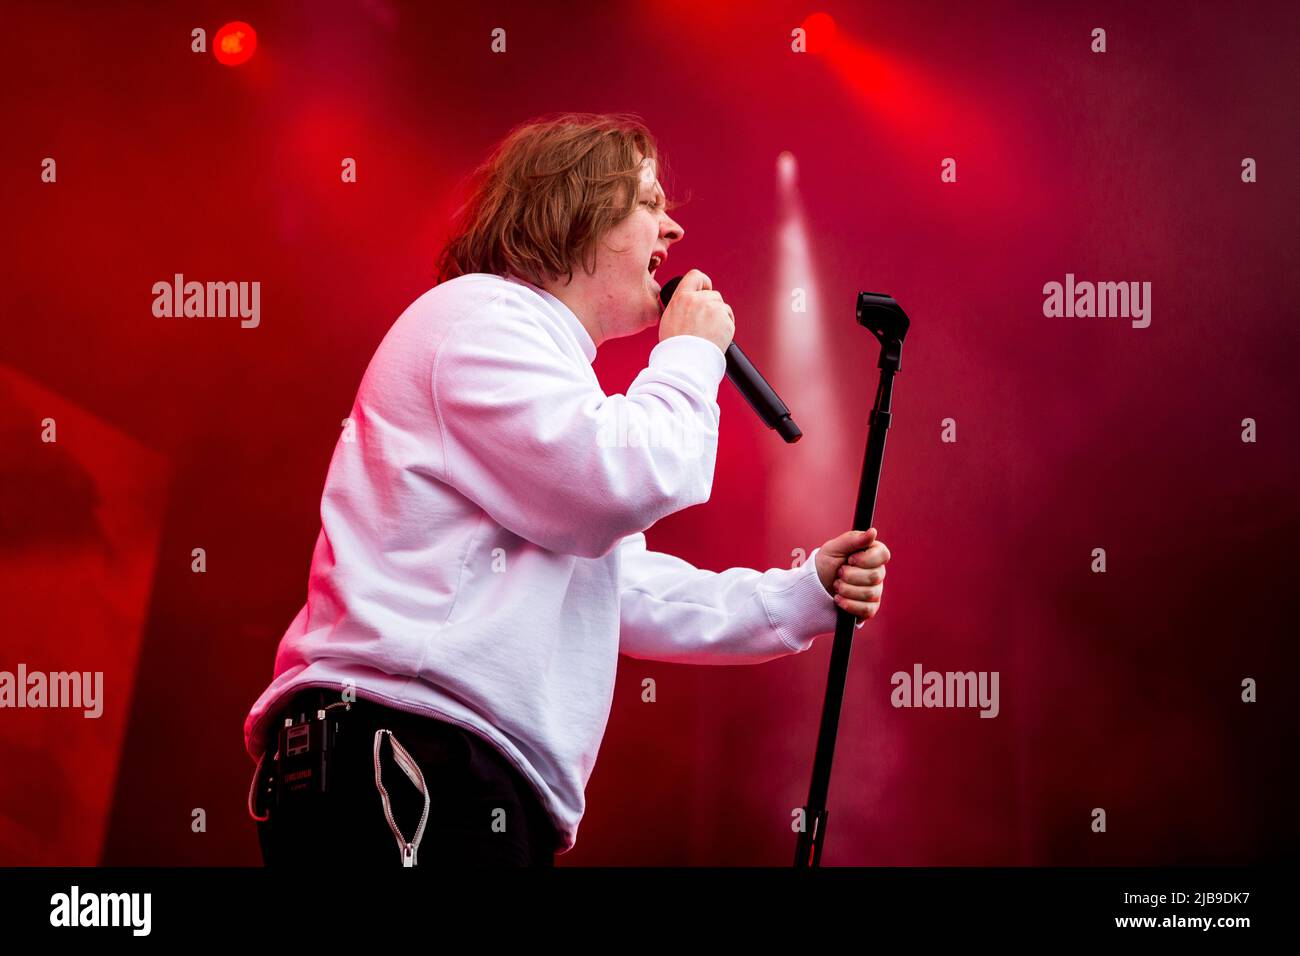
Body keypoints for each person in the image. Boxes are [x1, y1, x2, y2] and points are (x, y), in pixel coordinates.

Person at [244, 112, 892, 867]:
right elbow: (621, 477)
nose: (673, 231)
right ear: (576, 210)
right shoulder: (477, 319)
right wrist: (687, 356)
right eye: (649, 202)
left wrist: (801, 594)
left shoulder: (537, 362)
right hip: (406, 749)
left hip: (452, 770)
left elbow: (619, 587)